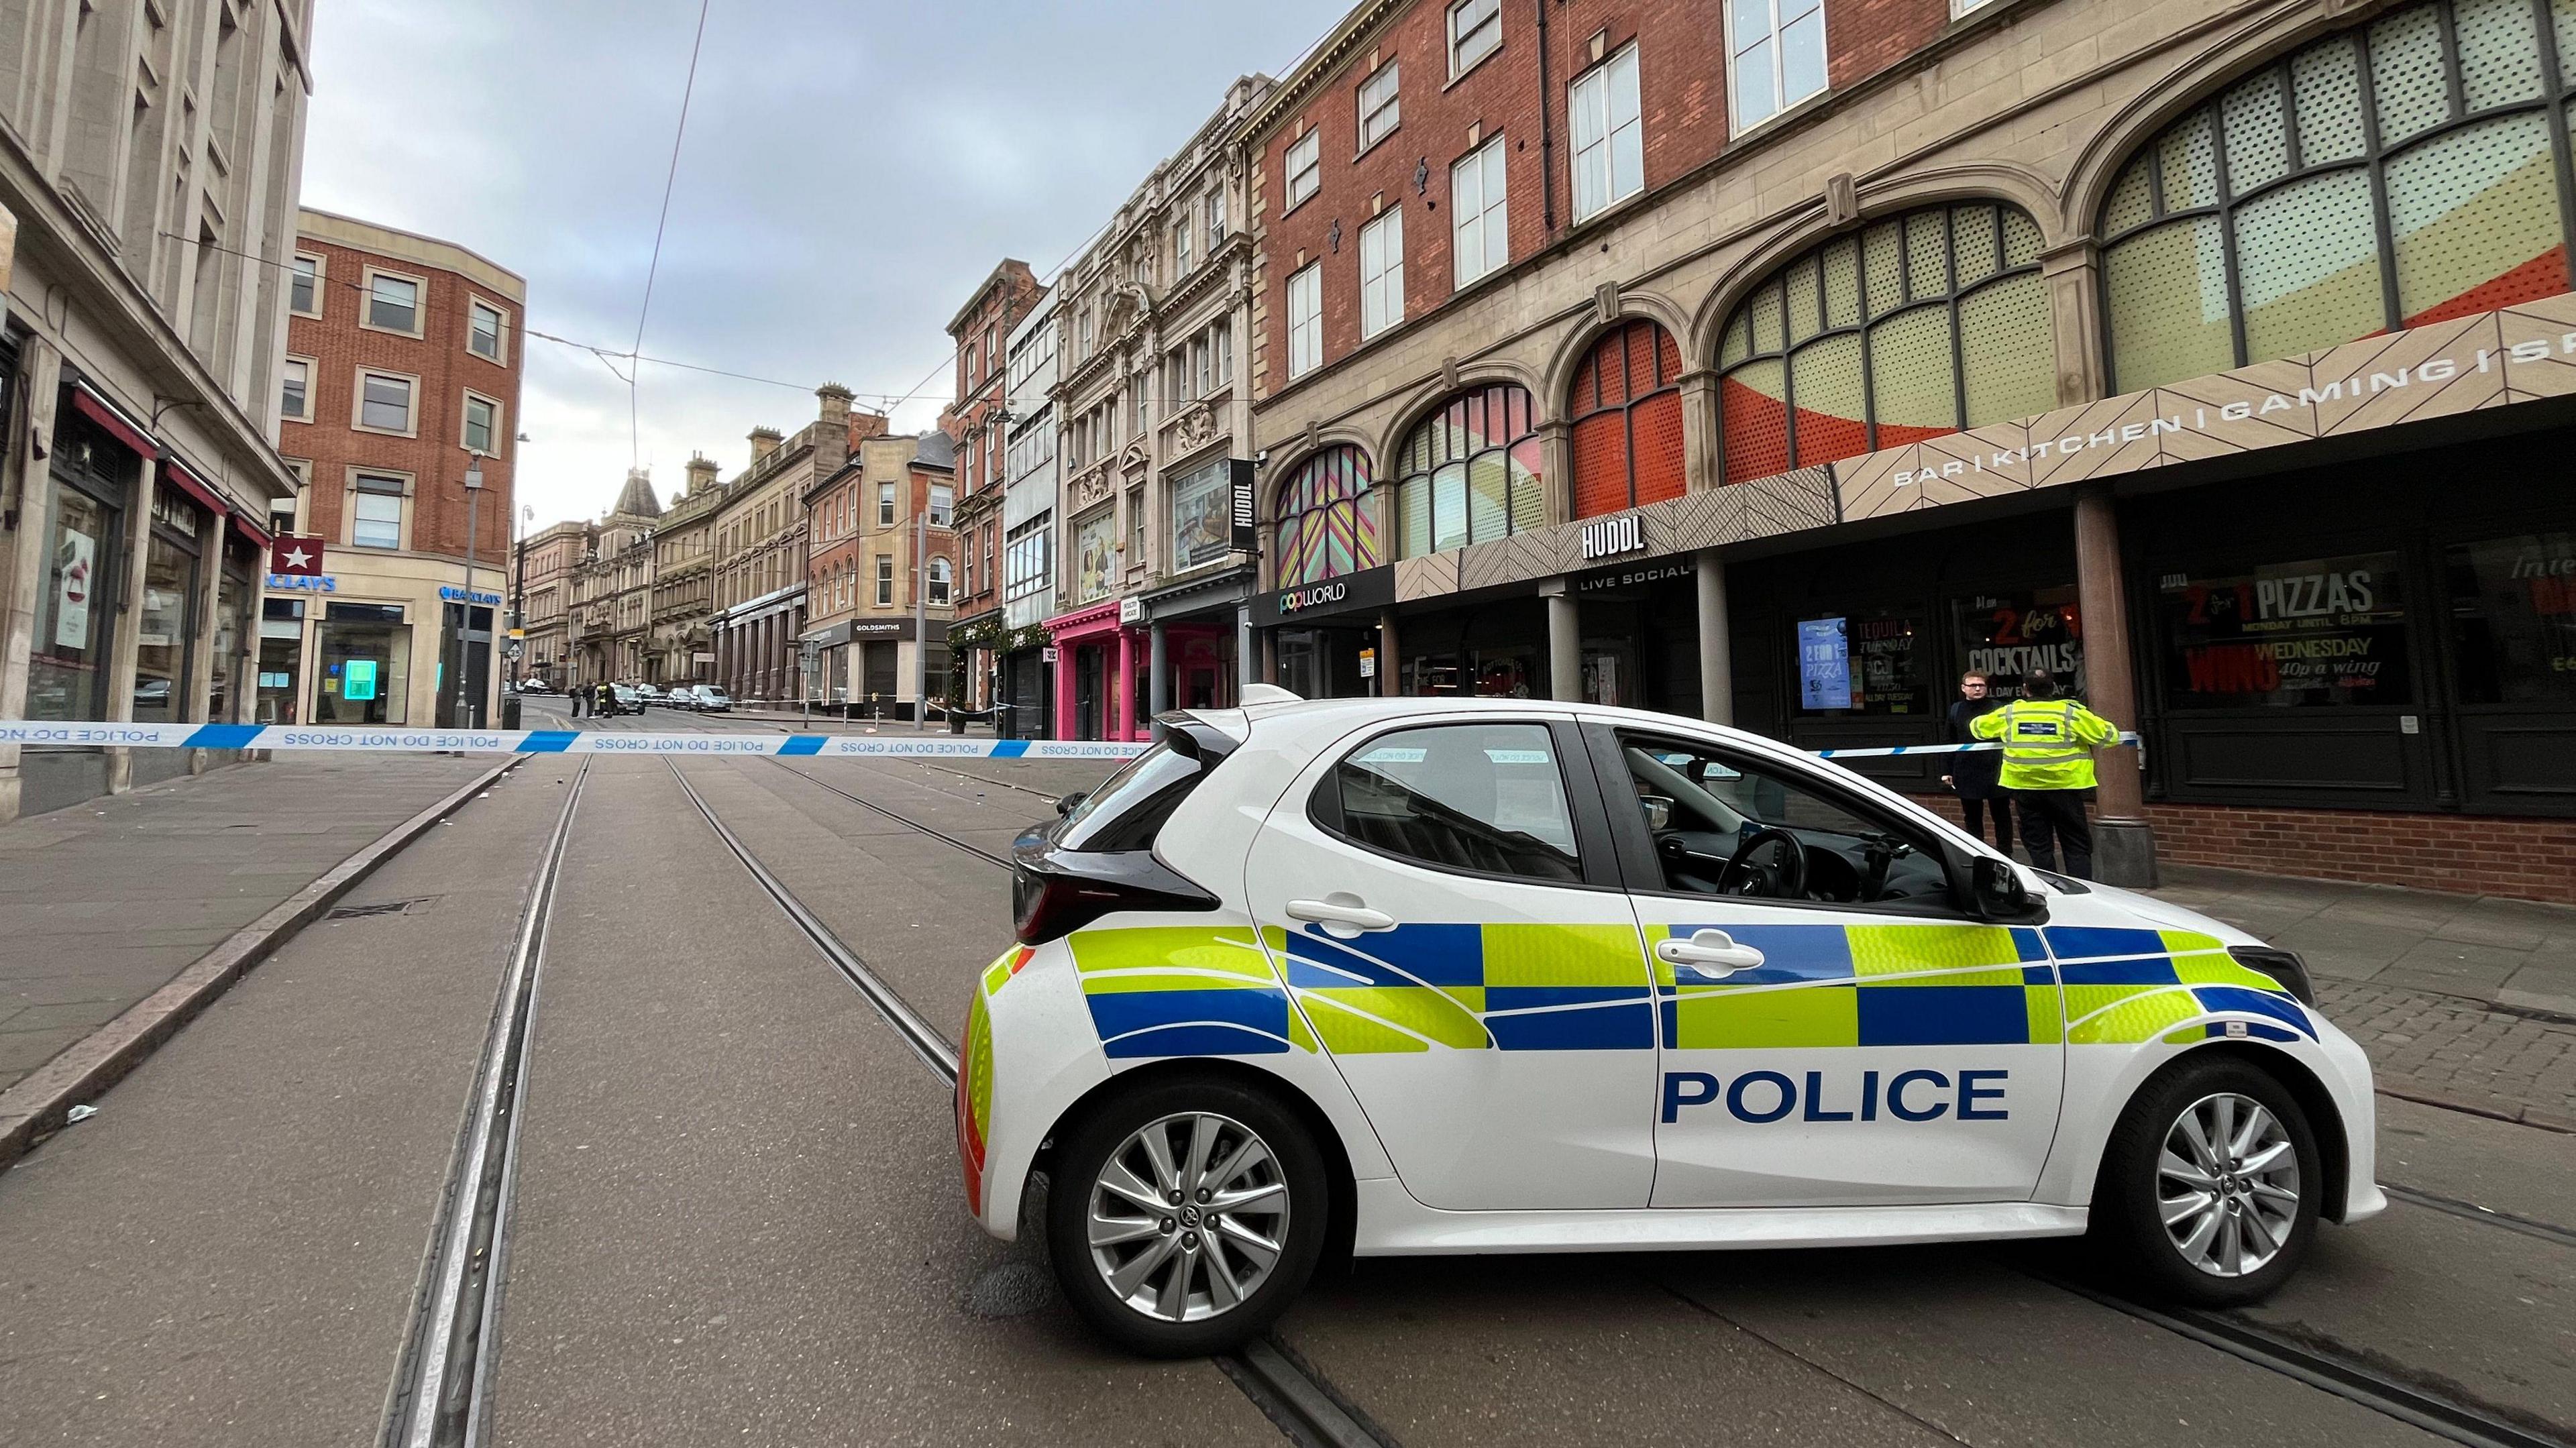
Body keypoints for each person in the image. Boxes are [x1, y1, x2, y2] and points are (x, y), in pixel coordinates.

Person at [1971, 667, 2121, 879]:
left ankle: (2049, 890)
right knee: (2076, 845)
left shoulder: (2011, 713)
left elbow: (1977, 728)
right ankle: (2083, 893)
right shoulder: (2070, 713)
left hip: (2026, 790)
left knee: (2038, 846)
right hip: (2066, 789)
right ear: (2053, 688)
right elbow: (2109, 736)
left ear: (2025, 689)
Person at [1941, 671, 2012, 854]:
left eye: (1981, 685)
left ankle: (2006, 853)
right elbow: (1949, 742)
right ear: (1964, 688)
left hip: (1996, 770)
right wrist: (1946, 771)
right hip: (1966, 771)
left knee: (2002, 816)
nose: (1978, 688)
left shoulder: (1999, 708)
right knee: (1972, 817)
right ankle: (1977, 852)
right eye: (1973, 686)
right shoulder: (1956, 710)